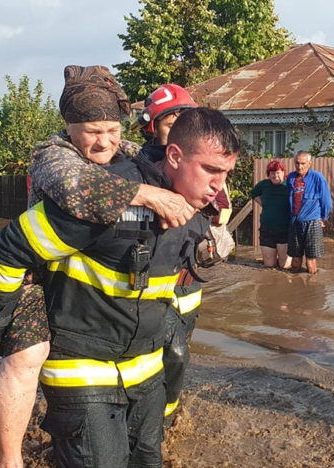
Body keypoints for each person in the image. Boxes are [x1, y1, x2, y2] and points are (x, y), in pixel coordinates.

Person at [0, 107, 240, 468]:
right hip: (82, 370)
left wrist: (209, 250)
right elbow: (8, 249)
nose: (219, 187)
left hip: (144, 370)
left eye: (226, 173)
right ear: (175, 156)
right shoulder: (105, 199)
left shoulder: (195, 206)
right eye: (211, 170)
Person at [136, 84, 233, 423]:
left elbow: (221, 211)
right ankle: (150, 416)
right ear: (154, 127)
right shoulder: (137, 167)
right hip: (149, 280)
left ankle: (166, 411)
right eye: (169, 120)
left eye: (183, 117)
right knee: (158, 352)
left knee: (178, 353)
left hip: (186, 280)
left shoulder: (207, 167)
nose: (177, 124)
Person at [287, 151, 332, 275]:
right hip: (295, 222)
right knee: (295, 259)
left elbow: (326, 201)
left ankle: (312, 288)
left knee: (310, 261)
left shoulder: (318, 178)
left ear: (309, 164)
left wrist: (323, 218)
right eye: (297, 163)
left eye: (303, 163)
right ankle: (294, 286)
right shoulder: (290, 178)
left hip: (312, 222)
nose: (299, 166)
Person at [250, 159, 291, 269]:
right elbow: (254, 194)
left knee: (285, 266)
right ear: (269, 174)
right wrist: (264, 204)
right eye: (272, 173)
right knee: (269, 266)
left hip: (285, 229)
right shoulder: (263, 185)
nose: (275, 175)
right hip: (267, 229)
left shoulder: (289, 184)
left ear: (283, 172)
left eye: (278, 172)